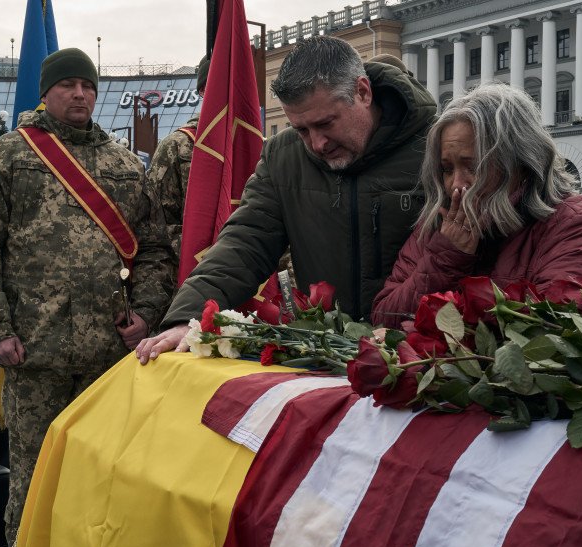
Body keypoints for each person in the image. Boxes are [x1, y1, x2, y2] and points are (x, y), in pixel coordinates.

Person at [0, 48, 174, 544]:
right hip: (35, 351)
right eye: (68, 85)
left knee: (104, 475)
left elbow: (156, 248)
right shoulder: (10, 154)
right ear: (46, 91)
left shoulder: (123, 163)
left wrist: (145, 312)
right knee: (34, 477)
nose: (80, 94)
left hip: (108, 353)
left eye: (88, 86)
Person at [135, 35, 437, 362]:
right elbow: (244, 243)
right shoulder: (285, 157)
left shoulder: (437, 147)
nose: (317, 144)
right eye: (302, 129)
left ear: (362, 92)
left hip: (423, 358)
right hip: (328, 356)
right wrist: (188, 319)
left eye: (325, 124)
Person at [371, 83, 582, 326]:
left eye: (474, 166)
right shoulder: (438, 227)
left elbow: (558, 334)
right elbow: (386, 317)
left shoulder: (578, 225)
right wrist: (446, 257)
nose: (456, 184)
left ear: (520, 164)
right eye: (447, 169)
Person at [146, 56, 209, 266]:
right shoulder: (177, 147)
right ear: (202, 90)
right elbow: (158, 228)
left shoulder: (258, 147)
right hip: (194, 277)